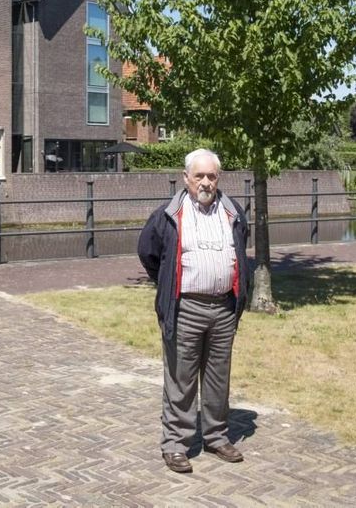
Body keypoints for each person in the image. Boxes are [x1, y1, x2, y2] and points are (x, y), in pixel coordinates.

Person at [137, 148, 252, 474]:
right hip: (185, 307)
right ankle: (175, 445)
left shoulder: (234, 213)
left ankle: (216, 436)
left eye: (211, 176)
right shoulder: (167, 216)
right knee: (181, 379)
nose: (205, 182)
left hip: (223, 309)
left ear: (219, 178)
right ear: (186, 178)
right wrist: (169, 283)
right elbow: (149, 253)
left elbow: (241, 251)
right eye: (199, 175)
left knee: (218, 378)